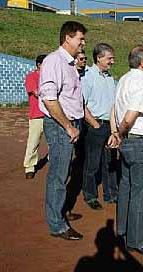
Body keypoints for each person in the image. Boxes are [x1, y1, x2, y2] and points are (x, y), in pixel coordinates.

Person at [108, 44, 143, 255]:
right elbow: (130, 115)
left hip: (128, 142)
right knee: (139, 193)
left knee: (126, 185)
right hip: (139, 142)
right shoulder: (140, 83)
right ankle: (136, 241)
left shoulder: (123, 80)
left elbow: (114, 109)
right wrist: (119, 133)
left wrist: (116, 134)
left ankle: (122, 229)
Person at [38, 21, 86, 240]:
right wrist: (68, 126)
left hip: (70, 125)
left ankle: (60, 211)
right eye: (80, 39)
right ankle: (56, 224)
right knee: (58, 174)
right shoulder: (53, 62)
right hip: (60, 126)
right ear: (67, 38)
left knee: (64, 171)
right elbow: (49, 98)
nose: (83, 43)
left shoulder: (69, 64)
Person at [81, 43, 118, 210]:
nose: (112, 61)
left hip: (109, 127)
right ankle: (90, 196)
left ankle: (111, 194)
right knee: (92, 164)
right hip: (95, 125)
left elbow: (113, 105)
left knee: (110, 162)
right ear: (99, 58)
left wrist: (114, 129)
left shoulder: (110, 78)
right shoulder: (87, 77)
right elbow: (81, 104)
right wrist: (95, 124)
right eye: (109, 58)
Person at [23, 54, 47, 179]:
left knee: (54, 142)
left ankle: (53, 162)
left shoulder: (49, 77)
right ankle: (29, 166)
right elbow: (37, 93)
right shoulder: (31, 77)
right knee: (33, 141)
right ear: (39, 65)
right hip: (37, 115)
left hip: (50, 115)